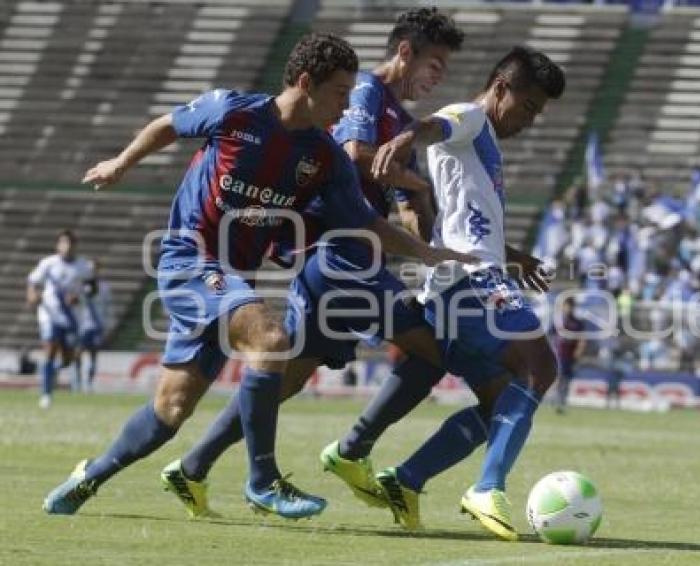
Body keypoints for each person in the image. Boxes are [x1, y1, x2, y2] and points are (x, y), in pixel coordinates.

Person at [42, 32, 465, 518]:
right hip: (189, 260)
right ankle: (263, 481)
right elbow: (167, 125)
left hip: (231, 279)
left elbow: (366, 223)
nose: (345, 106)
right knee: (270, 338)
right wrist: (121, 162)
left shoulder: (324, 157)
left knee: (170, 413)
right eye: (338, 94)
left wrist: (427, 254)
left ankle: (87, 477)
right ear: (305, 83)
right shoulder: (233, 112)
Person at [158, 7, 472, 520]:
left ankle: (192, 467)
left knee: (283, 377)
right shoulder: (369, 93)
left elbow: (402, 204)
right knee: (434, 350)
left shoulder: (400, 120)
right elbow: (351, 153)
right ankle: (352, 450)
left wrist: (431, 240)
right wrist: (419, 185)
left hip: (351, 260)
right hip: (340, 259)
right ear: (406, 52)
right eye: (435, 63)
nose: (439, 76)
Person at [361, 45, 565, 541]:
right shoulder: (471, 117)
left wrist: (518, 258)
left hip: (461, 282)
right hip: (469, 282)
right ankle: (486, 487)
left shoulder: (483, 143)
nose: (531, 120)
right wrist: (407, 135)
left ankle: (406, 480)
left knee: (500, 402)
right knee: (540, 365)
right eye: (529, 107)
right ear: (501, 88)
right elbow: (436, 124)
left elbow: (464, 222)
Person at [27, 230, 91, 408]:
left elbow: (92, 288)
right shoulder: (48, 264)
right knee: (50, 348)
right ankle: (46, 394)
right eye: (63, 243)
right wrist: (32, 296)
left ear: (75, 246)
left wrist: (79, 297)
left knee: (68, 359)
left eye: (70, 243)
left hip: (71, 317)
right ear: (58, 245)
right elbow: (33, 281)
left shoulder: (83, 266)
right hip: (49, 314)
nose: (67, 247)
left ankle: (51, 372)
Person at [78, 259, 111, 392]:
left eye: (94, 269)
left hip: (97, 325)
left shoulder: (104, 287)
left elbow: (107, 307)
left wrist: (106, 324)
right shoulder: (81, 285)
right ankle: (77, 383)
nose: (92, 272)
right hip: (82, 325)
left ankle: (89, 384)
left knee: (93, 355)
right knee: (77, 354)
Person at [550, 296, 586, 414]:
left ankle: (562, 402)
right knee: (558, 378)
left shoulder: (577, 322)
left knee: (567, 380)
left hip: (570, 356)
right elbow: (550, 336)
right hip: (558, 355)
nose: (568, 309)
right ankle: (556, 401)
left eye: (570, 306)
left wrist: (579, 351)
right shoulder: (558, 321)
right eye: (566, 306)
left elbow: (582, 339)